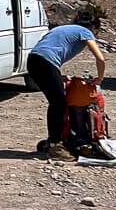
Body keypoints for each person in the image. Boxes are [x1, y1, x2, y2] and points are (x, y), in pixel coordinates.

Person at [27, 19, 107, 159]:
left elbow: (46, 47)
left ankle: (55, 140)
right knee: (59, 103)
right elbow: (100, 59)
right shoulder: (85, 32)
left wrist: (57, 76)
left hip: (33, 61)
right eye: (96, 33)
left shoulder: (62, 28)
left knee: (57, 101)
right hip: (46, 63)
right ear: (94, 28)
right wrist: (99, 78)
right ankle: (55, 146)